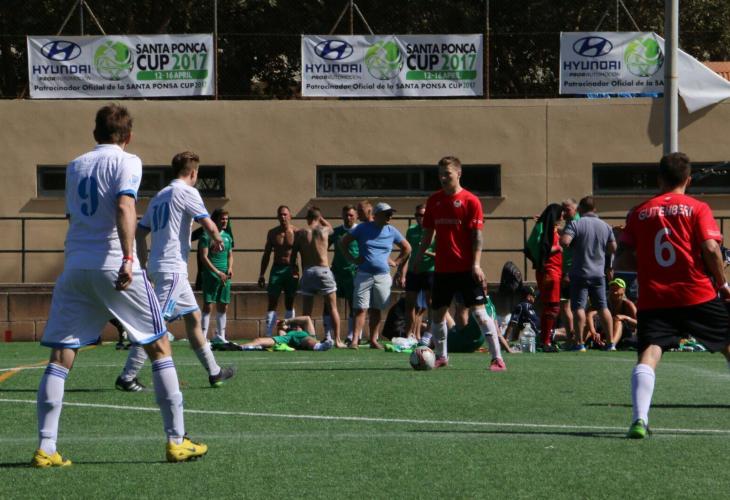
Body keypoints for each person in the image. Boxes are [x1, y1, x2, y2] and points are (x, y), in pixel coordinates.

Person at [32, 104, 206, 468]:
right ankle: (177, 440)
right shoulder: (128, 161)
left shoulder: (75, 166)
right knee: (159, 345)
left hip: (75, 266)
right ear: (128, 136)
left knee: (61, 356)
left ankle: (46, 448)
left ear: (95, 133)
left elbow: (73, 216)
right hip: (114, 264)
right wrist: (129, 257)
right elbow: (125, 206)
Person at [616, 152, 730, 438]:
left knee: (650, 352)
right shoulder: (697, 208)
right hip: (696, 293)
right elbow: (712, 249)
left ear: (659, 179)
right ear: (688, 180)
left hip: (654, 297)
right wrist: (722, 283)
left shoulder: (639, 212)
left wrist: (647, 268)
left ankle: (639, 419)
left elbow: (623, 256)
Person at [116, 152, 236, 392]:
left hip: (164, 267)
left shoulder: (159, 196)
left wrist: (144, 262)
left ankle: (214, 372)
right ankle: (127, 377)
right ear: (193, 173)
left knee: (193, 318)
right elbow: (209, 224)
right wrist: (217, 240)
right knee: (155, 324)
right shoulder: (187, 192)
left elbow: (140, 232)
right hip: (173, 270)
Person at [412, 156, 506, 371]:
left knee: (480, 314)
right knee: (437, 315)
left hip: (466, 269)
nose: (443, 178)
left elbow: (477, 236)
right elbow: (428, 233)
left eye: (447, 174)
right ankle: (441, 357)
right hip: (442, 269)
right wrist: (418, 257)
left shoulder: (471, 201)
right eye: (440, 174)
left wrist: (476, 264)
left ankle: (497, 359)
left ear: (459, 173)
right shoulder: (434, 200)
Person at [340, 202, 411, 349]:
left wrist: (396, 262)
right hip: (363, 274)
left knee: (376, 308)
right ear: (377, 215)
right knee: (361, 308)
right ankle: (355, 340)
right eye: (387, 214)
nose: (390, 216)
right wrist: (352, 259)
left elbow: (407, 248)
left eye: (391, 214)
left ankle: (373, 340)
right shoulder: (362, 228)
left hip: (382, 276)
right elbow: (343, 242)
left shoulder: (392, 231)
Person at [560, 196, 616, 351]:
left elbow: (565, 242)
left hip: (580, 272)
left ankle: (579, 343)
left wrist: (573, 243)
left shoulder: (576, 224)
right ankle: (611, 343)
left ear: (580, 209)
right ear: (595, 209)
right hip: (598, 273)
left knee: (578, 307)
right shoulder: (605, 226)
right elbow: (613, 248)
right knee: (603, 307)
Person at [290, 206, 345, 347]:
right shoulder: (325, 230)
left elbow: (293, 254)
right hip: (323, 270)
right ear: (319, 218)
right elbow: (331, 227)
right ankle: (338, 340)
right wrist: (321, 218)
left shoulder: (301, 233)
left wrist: (294, 269)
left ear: (307, 218)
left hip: (308, 271)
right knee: (332, 307)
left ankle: (306, 340)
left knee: (306, 311)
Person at [525, 203, 563, 351]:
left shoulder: (547, 227)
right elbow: (544, 249)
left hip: (551, 272)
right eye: (560, 214)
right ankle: (545, 342)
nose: (562, 217)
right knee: (552, 307)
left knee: (550, 306)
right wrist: (559, 247)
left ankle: (545, 340)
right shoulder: (547, 229)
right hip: (550, 272)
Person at [258, 205, 298, 335]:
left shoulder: (297, 232)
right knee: (272, 301)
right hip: (276, 269)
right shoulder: (272, 233)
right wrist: (261, 274)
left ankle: (289, 332)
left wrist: (302, 272)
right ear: (277, 217)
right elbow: (266, 254)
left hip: (291, 269)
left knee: (290, 301)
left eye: (285, 214)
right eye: (280, 214)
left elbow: (303, 253)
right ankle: (269, 334)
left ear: (290, 216)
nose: (283, 217)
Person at [398, 204, 436, 340]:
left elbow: (441, 255)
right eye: (417, 215)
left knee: (430, 304)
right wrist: (402, 273)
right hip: (413, 271)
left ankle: (430, 335)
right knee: (410, 304)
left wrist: (425, 252)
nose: (420, 218)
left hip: (430, 271)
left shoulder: (435, 231)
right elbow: (407, 253)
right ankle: (409, 335)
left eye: (423, 215)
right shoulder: (411, 230)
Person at [199, 208, 234, 345]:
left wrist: (230, 268)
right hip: (211, 275)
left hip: (225, 276)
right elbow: (204, 257)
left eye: (226, 219)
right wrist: (217, 272)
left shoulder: (228, 237)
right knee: (208, 305)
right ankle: (202, 337)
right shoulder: (206, 236)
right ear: (215, 220)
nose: (225, 221)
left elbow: (230, 255)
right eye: (222, 219)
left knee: (223, 305)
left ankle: (220, 335)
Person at [325, 205, 358, 343]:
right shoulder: (336, 232)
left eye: (351, 215)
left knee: (353, 304)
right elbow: (323, 247)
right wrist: (325, 265)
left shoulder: (360, 231)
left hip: (353, 273)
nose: (348, 218)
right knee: (329, 303)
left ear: (356, 216)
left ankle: (351, 336)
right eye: (346, 215)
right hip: (336, 272)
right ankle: (328, 336)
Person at [585, 277, 637, 350]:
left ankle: (611, 345)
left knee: (618, 320)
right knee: (593, 320)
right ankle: (580, 343)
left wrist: (625, 317)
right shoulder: (604, 303)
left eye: (617, 287)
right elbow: (589, 314)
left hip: (624, 334)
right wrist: (593, 332)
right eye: (612, 287)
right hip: (605, 332)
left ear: (623, 290)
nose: (614, 289)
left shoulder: (628, 304)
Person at [238, 316, 333, 351]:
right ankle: (239, 347)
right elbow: (281, 337)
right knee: (258, 340)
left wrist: (287, 321)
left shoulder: (307, 333)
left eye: (298, 325)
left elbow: (307, 318)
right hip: (289, 340)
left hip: (306, 340)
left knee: (309, 339)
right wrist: (283, 327)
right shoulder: (289, 334)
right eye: (295, 326)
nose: (297, 326)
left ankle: (320, 346)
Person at [559, 198, 579, 343]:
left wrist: (567, 273)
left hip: (571, 270)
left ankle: (572, 339)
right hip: (572, 269)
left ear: (575, 209)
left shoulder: (574, 223)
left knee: (567, 305)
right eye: (563, 209)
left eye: (567, 209)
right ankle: (574, 339)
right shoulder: (572, 222)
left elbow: (568, 242)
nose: (564, 213)